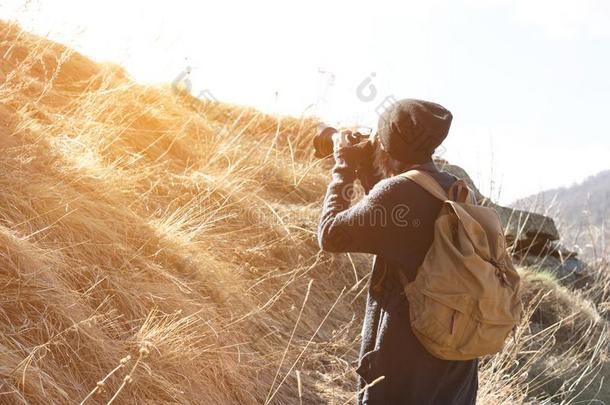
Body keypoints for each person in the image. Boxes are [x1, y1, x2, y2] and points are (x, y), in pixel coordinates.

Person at [317, 99, 478, 404]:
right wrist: (371, 169)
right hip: (456, 360)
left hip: (406, 361)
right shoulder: (454, 189)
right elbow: (396, 219)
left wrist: (344, 165)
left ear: (389, 144)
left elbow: (330, 235)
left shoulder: (397, 194)